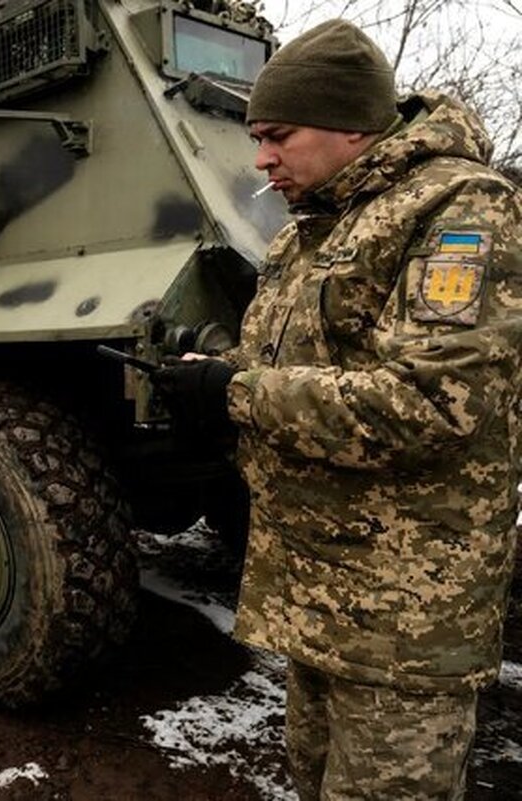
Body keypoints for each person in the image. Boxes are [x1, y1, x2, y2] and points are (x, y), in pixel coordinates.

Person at [152, 19, 522, 800]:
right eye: (256, 137)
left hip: (404, 624)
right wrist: (216, 380)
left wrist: (238, 396)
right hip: (319, 600)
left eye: (277, 135)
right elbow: (294, 367)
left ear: (351, 123)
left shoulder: (461, 210)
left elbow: (430, 405)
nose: (260, 159)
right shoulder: (311, 229)